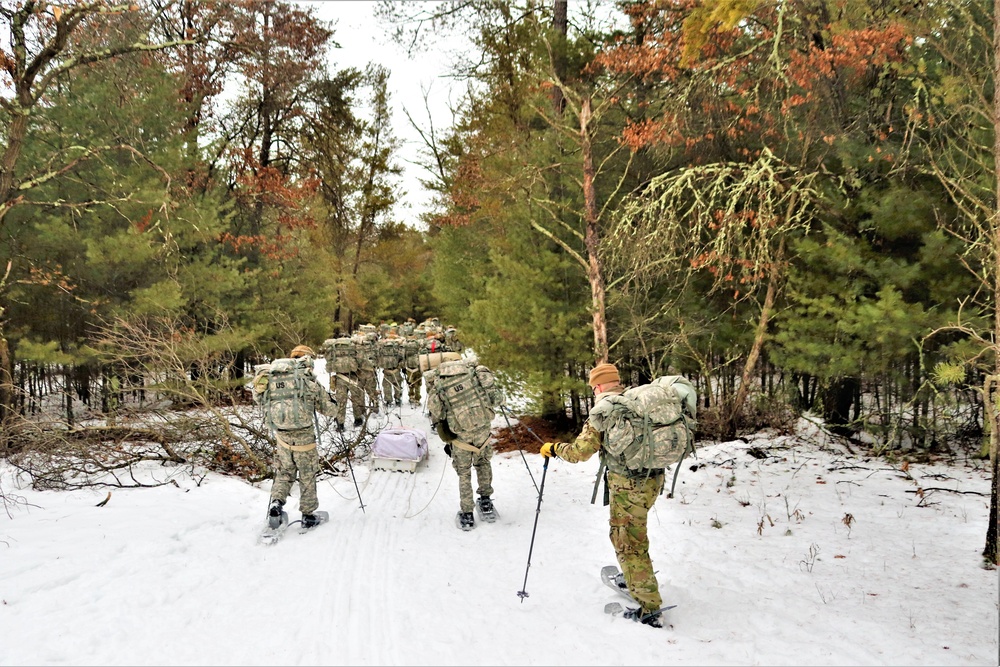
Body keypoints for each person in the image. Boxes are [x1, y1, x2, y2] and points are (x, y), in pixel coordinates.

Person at [539, 362, 666, 629]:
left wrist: (554, 448)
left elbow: (580, 452)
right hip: (653, 479)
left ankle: (650, 609)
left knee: (628, 542)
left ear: (597, 386)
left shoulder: (604, 410)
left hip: (628, 486)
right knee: (633, 535)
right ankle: (635, 577)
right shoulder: (635, 399)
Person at [255, 345, 338, 529]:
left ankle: (276, 503)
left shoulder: (272, 378)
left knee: (285, 471)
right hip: (304, 437)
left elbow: (259, 398)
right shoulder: (305, 380)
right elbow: (330, 410)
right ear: (307, 360)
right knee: (307, 473)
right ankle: (308, 515)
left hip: (281, 435)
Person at [426, 358, 503, 530]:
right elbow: (497, 398)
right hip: (482, 431)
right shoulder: (474, 373)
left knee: (464, 473)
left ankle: (467, 514)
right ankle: (485, 503)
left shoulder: (439, 382)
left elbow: (436, 411)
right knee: (483, 464)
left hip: (461, 437)